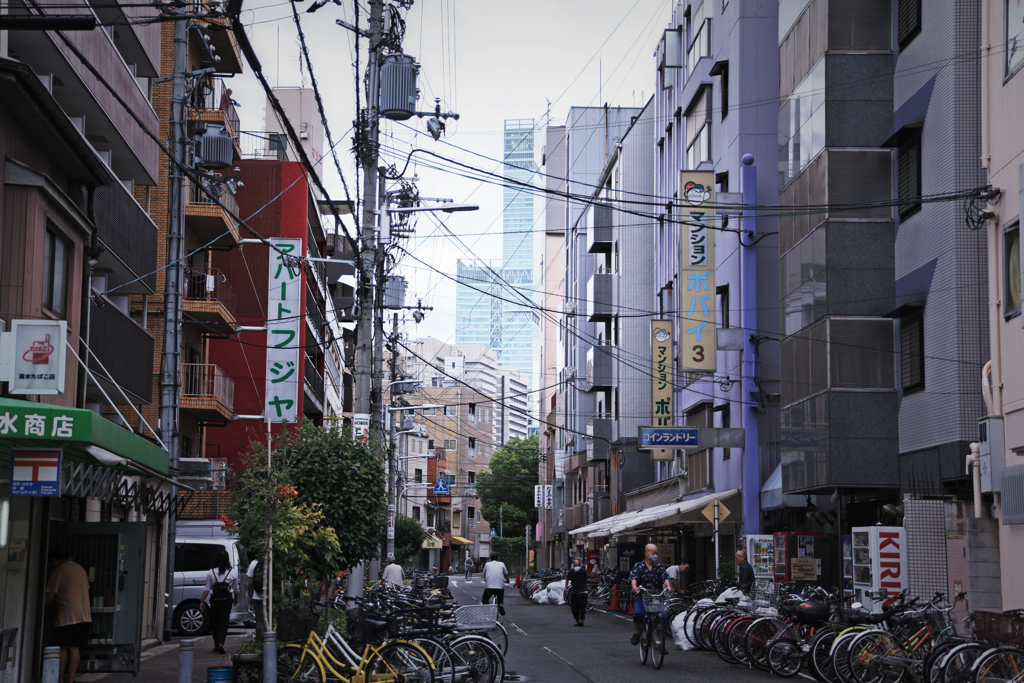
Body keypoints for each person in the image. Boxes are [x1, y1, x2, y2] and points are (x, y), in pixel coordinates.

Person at [46, 551, 91, 683]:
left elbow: (49, 596)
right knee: (74, 647)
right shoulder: (80, 568)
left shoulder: (57, 571)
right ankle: (70, 680)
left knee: (62, 647)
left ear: (53, 560)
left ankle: (60, 679)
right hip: (84, 615)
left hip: (66, 616)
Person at [628, 544, 672, 645]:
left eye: (657, 553)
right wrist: (634, 586)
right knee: (638, 613)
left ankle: (661, 642)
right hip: (641, 595)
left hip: (656, 597)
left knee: (663, 617)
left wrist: (668, 586)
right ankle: (637, 631)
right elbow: (633, 578)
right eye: (653, 553)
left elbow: (665, 577)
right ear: (646, 553)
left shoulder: (659, 566)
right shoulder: (638, 566)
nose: (655, 555)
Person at [200, 549, 238, 654]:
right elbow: (236, 589)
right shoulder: (232, 572)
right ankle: (221, 643)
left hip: (215, 600)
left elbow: (207, 588)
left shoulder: (211, 572)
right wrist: (236, 598)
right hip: (227, 599)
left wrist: (202, 601)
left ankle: (216, 644)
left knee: (215, 621)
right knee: (224, 622)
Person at [481, 552, 509, 616]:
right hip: (499, 587)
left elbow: (484, 574)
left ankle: (487, 610)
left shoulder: (487, 564)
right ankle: (500, 605)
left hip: (489, 588)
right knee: (500, 595)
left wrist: (485, 579)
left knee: (484, 599)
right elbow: (506, 574)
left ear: (490, 558)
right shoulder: (502, 564)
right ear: (497, 558)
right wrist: (507, 580)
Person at [565, 558, 589, 627]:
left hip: (574, 591)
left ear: (573, 565)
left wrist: (566, 588)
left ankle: (577, 620)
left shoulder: (571, 571)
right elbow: (585, 579)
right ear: (580, 564)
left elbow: (567, 579)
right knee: (582, 606)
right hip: (583, 591)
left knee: (574, 607)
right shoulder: (583, 571)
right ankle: (581, 619)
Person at [246, 558, 265, 634]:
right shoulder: (273, 560)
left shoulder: (254, 562)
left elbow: (250, 583)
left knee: (259, 619)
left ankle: (259, 640)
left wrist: (250, 596)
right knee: (270, 619)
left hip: (257, 596)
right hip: (270, 596)